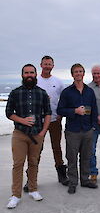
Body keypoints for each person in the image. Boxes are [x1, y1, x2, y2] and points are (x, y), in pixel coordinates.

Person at [6, 64, 51, 209]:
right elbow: (8, 113)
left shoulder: (42, 93)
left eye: (32, 72)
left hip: (37, 134)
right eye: (26, 73)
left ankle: (33, 189)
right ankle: (15, 195)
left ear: (36, 74)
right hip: (19, 134)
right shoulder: (15, 93)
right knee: (18, 164)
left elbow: (48, 113)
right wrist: (22, 120)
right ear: (22, 75)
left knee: (33, 163)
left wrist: (44, 131)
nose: (29, 75)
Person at [57, 63, 98, 194]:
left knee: (86, 157)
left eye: (80, 71)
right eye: (76, 72)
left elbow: (94, 110)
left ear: (84, 73)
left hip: (87, 130)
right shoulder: (67, 92)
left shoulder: (89, 91)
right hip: (72, 131)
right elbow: (60, 110)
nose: (78, 73)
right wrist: (74, 111)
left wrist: (93, 127)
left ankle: (85, 180)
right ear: (72, 74)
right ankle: (73, 183)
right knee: (72, 158)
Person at [37, 55, 68, 186]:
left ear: (53, 66)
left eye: (49, 64)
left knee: (57, 147)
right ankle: (31, 178)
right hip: (38, 121)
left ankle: (61, 174)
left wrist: (61, 113)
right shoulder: (35, 80)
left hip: (55, 120)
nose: (47, 66)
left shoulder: (58, 81)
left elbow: (64, 99)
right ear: (41, 65)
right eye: (45, 64)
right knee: (36, 148)